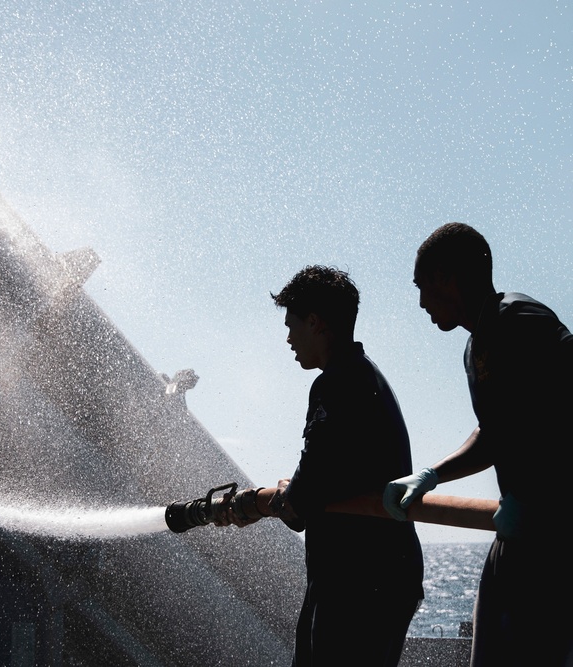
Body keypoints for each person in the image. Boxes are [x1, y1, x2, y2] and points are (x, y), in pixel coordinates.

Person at [383, 222, 573, 666]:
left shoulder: (521, 320)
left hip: (556, 542)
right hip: (518, 534)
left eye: (422, 285)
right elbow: (495, 431)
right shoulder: (477, 344)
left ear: (447, 277)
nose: (421, 302)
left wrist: (553, 504)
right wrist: (431, 475)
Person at [219, 265, 424, 667]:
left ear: (315, 323)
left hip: (358, 587)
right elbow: (326, 475)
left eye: (292, 325)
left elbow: (298, 507)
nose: (289, 338)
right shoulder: (366, 377)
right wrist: (297, 488)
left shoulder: (335, 383)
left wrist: (270, 499)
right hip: (384, 577)